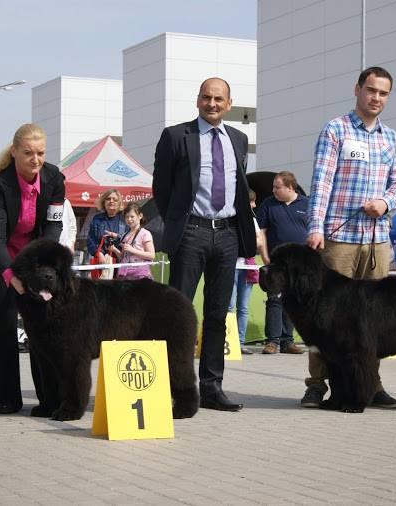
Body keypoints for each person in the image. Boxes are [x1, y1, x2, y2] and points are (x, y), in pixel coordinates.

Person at [303, 66, 396, 409]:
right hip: (339, 238)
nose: (376, 98)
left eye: (383, 93)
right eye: (371, 90)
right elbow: (321, 183)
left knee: (371, 322)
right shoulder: (336, 130)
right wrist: (315, 228)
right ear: (357, 89)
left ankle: (370, 385)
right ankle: (317, 385)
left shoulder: (392, 138)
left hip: (377, 240)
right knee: (325, 319)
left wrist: (386, 202)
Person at [153, 77, 256, 412]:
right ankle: (176, 388)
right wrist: (179, 225)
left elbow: (240, 188)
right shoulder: (175, 136)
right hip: (191, 233)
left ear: (229, 104)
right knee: (176, 314)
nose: (212, 104)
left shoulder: (239, 140)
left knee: (217, 314)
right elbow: (161, 189)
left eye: (218, 99)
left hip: (227, 235)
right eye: (206, 98)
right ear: (197, 101)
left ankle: (212, 388)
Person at [0, 123, 66, 415]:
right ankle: (8, 398)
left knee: (41, 324)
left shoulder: (54, 179)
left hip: (32, 255)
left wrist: (41, 269)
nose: (36, 160)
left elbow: (53, 224)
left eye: (41, 153)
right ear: (14, 152)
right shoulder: (0, 185)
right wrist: (12, 277)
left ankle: (49, 399)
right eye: (28, 153)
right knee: (6, 323)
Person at [257, 171, 307, 355]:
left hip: (299, 263)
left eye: (277, 187)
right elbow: (261, 232)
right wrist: (265, 257)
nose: (273, 190)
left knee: (293, 301)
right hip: (276, 262)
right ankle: (272, 342)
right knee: (274, 300)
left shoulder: (307, 204)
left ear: (290, 187)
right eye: (273, 187)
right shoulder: (267, 205)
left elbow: (314, 231)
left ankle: (288, 341)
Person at [229, 189, 266, 355]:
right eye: (252, 202)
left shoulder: (252, 219)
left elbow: (259, 240)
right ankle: (227, 342)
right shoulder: (230, 217)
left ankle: (240, 342)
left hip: (247, 267)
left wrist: (246, 243)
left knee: (243, 307)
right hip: (231, 266)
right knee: (229, 306)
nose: (255, 205)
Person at [108, 202, 155, 280]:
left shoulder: (145, 233)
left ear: (140, 216)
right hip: (124, 275)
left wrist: (132, 250)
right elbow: (123, 256)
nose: (129, 220)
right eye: (127, 217)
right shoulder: (125, 235)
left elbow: (151, 255)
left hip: (140, 275)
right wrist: (114, 249)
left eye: (132, 216)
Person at [87, 189, 127, 264]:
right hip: (101, 261)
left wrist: (116, 249)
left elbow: (129, 240)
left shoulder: (125, 219)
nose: (111, 201)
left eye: (115, 199)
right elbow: (90, 240)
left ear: (119, 203)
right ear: (104, 202)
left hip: (121, 261)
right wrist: (98, 253)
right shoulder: (97, 219)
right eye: (108, 199)